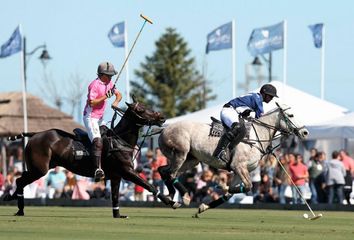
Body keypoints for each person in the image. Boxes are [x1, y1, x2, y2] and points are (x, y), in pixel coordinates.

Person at [213, 83, 278, 162]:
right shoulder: (257, 99)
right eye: (270, 96)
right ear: (264, 94)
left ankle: (230, 150)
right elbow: (261, 120)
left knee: (243, 131)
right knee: (237, 128)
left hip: (234, 113)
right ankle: (219, 151)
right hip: (229, 111)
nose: (271, 98)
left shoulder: (256, 97)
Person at [83, 61, 122, 182]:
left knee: (110, 138)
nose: (111, 77)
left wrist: (115, 102)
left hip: (100, 118)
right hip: (91, 117)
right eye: (109, 75)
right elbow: (92, 102)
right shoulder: (94, 85)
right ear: (102, 74)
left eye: (111, 75)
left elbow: (118, 94)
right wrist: (106, 96)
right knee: (98, 141)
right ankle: (97, 169)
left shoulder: (109, 83)